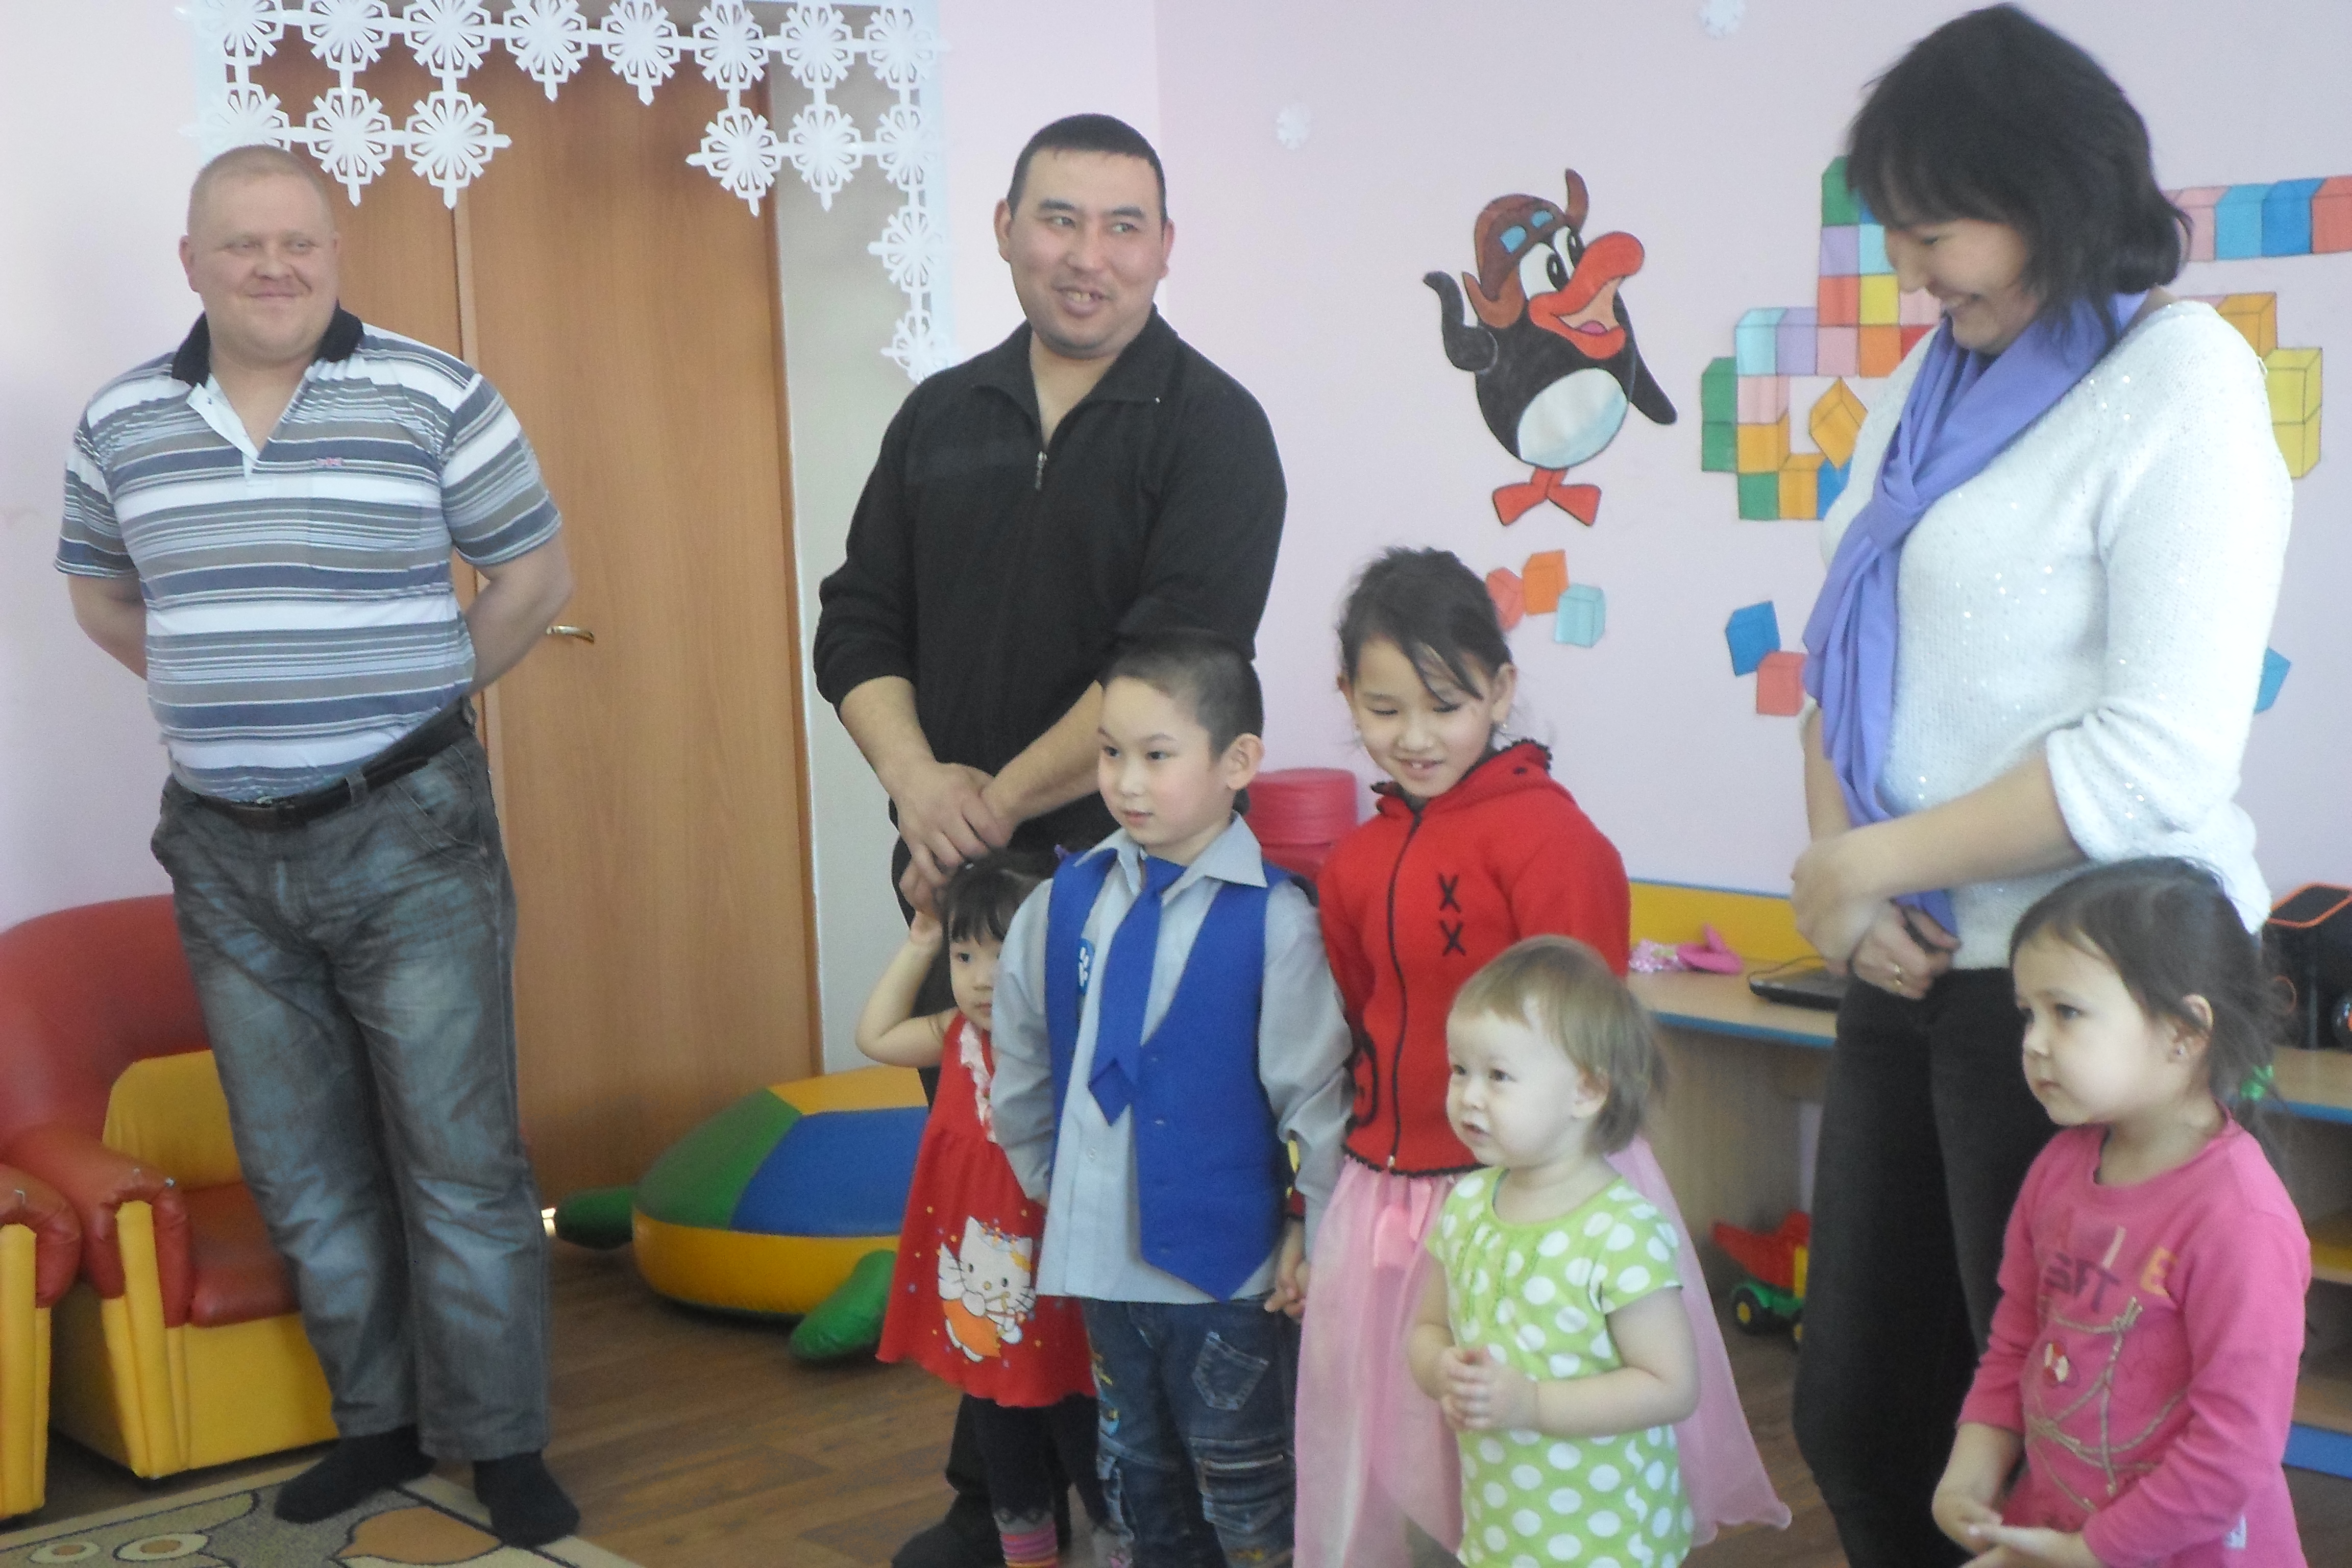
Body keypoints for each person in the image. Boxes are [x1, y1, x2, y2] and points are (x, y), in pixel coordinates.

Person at [1785, 10, 2293, 1565]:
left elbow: (2157, 756)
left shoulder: (2183, 378)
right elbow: (1839, 652)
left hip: (2095, 996)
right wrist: (1846, 871)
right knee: (1863, 1418)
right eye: (1895, 230)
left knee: (2072, 1458)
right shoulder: (1925, 387)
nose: (1909, 268)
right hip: (1912, 960)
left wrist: (1870, 863)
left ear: (2048, 198)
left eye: (1933, 228)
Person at [57, 146, 579, 1543]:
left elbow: (534, 576)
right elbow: (103, 596)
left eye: (300, 241)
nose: (274, 266)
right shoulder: (120, 422)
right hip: (224, 855)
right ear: (192, 261)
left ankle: (504, 1445)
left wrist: (417, 697)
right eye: (244, 243)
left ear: (336, 254)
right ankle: (378, 1426)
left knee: (459, 1157)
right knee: (299, 1163)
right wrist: (223, 688)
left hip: (410, 832)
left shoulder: (433, 393)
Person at [811, 111, 1286, 1566]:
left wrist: (993, 802)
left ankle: (1134, 1512)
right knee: (988, 1191)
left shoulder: (1213, 431)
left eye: (1123, 224)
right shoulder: (940, 418)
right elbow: (858, 621)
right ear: (1007, 229)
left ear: (1166, 246)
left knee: (1116, 1221)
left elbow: (1173, 665)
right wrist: (921, 787)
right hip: (963, 891)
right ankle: (999, 1495)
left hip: (1134, 895)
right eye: (1060, 219)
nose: (1090, 255)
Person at [1297, 548, 1782, 1566]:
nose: (1414, 736)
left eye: (1445, 705)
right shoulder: (1352, 862)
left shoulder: (1551, 841)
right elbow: (1359, 1014)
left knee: (1528, 1441)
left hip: (1535, 1189)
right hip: (1388, 1194)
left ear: (1500, 688)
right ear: (1346, 698)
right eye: (1384, 710)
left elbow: (1585, 1028)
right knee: (1403, 1445)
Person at [990, 628, 1352, 1566]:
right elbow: (1022, 1057)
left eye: (1157, 756)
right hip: (1103, 1268)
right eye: (1111, 753)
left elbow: (1314, 1098)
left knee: (1247, 1492)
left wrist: (1310, 1229)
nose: (1127, 782)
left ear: (1238, 762)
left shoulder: (1276, 920)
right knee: (1139, 1486)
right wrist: (1050, 1180)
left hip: (1226, 1280)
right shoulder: (1063, 900)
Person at [1936, 859, 2308, 1567]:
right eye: (2028, 1014)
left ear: (2184, 1031)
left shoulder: (2241, 1220)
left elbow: (2235, 1447)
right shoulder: (2058, 1170)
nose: (2033, 1042)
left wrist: (2095, 1550)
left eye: (2066, 1012)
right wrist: (1971, 1475)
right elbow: (2016, 1345)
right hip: (2060, 1538)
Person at [1407, 937, 1701, 1568]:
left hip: (1611, 1541)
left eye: (1498, 1076)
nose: (1470, 1096)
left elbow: (1671, 1385)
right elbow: (1429, 1329)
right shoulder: (1467, 1205)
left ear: (1586, 1091)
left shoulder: (1621, 1231)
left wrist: (1532, 1404)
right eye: (1460, 1070)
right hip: (1504, 1529)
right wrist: (1440, 1370)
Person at [856, 852, 1113, 1568]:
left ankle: (1120, 1545)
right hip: (984, 1296)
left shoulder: (1069, 1044)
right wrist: (922, 940)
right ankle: (1028, 1555)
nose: (981, 978)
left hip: (1061, 1293)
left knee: (1086, 1434)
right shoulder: (955, 1037)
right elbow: (875, 1035)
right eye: (965, 956)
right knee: (1002, 1439)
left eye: (1005, 955)